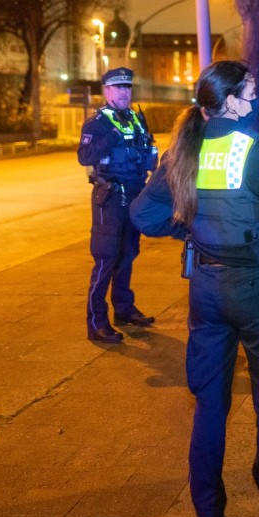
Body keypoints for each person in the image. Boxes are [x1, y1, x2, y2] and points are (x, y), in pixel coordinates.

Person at [129, 60, 259, 517]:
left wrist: (195, 227)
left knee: (209, 405)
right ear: (230, 101)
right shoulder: (256, 153)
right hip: (256, 289)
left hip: (207, 292)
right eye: (250, 92)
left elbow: (144, 216)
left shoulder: (181, 153)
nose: (255, 100)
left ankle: (210, 514)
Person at [77, 67, 158, 343]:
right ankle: (97, 322)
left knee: (128, 255)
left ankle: (124, 309)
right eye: (118, 87)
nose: (124, 92)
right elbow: (84, 156)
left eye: (127, 87)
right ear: (107, 91)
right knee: (106, 258)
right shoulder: (97, 122)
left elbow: (148, 150)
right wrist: (110, 137)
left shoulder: (136, 119)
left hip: (134, 195)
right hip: (109, 199)